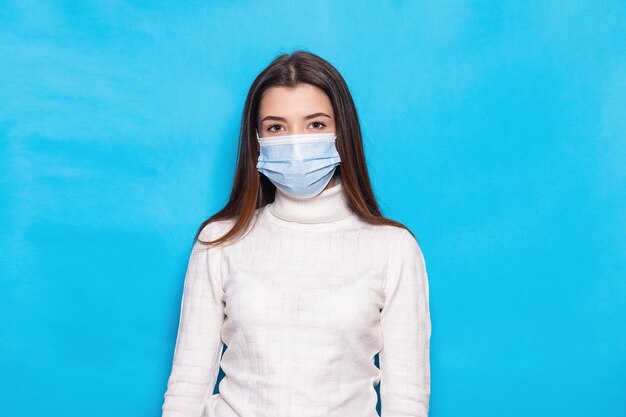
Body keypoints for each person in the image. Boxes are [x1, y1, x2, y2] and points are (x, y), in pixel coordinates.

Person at [161, 50, 431, 417]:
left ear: (342, 133)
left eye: (316, 124)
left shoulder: (393, 248)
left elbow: (407, 397)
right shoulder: (220, 241)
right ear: (257, 140)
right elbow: (188, 383)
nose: (296, 143)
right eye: (276, 127)